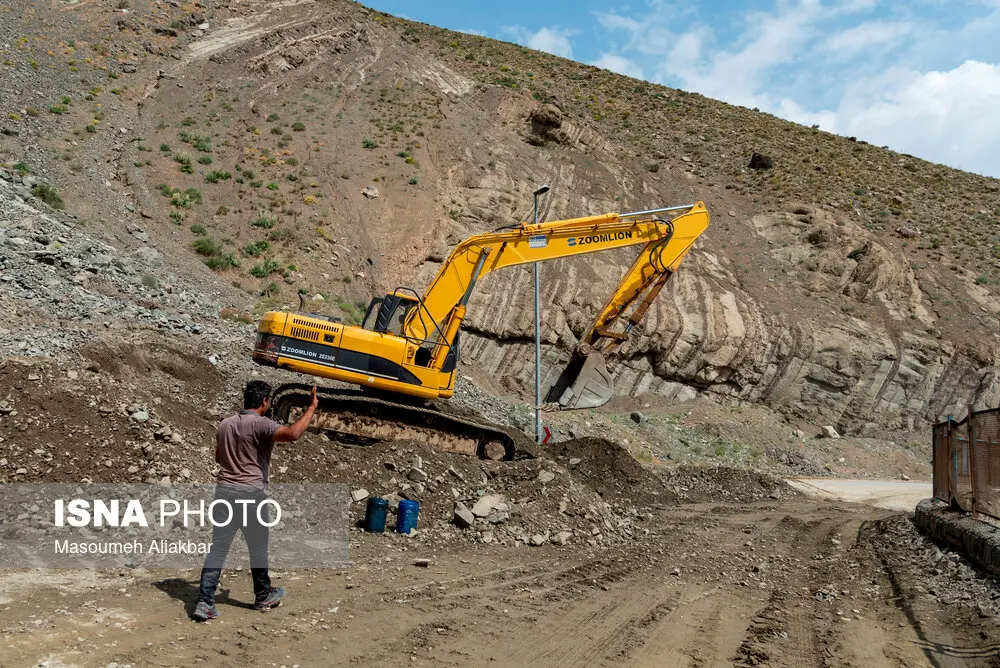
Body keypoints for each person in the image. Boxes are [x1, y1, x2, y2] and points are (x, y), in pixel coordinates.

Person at [192, 380, 318, 621]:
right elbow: (293, 434)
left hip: (224, 493)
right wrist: (311, 407)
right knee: (258, 549)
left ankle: (204, 602)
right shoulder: (262, 424)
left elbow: (220, 459)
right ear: (264, 401)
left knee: (218, 549)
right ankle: (263, 595)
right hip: (251, 495)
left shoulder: (225, 425)